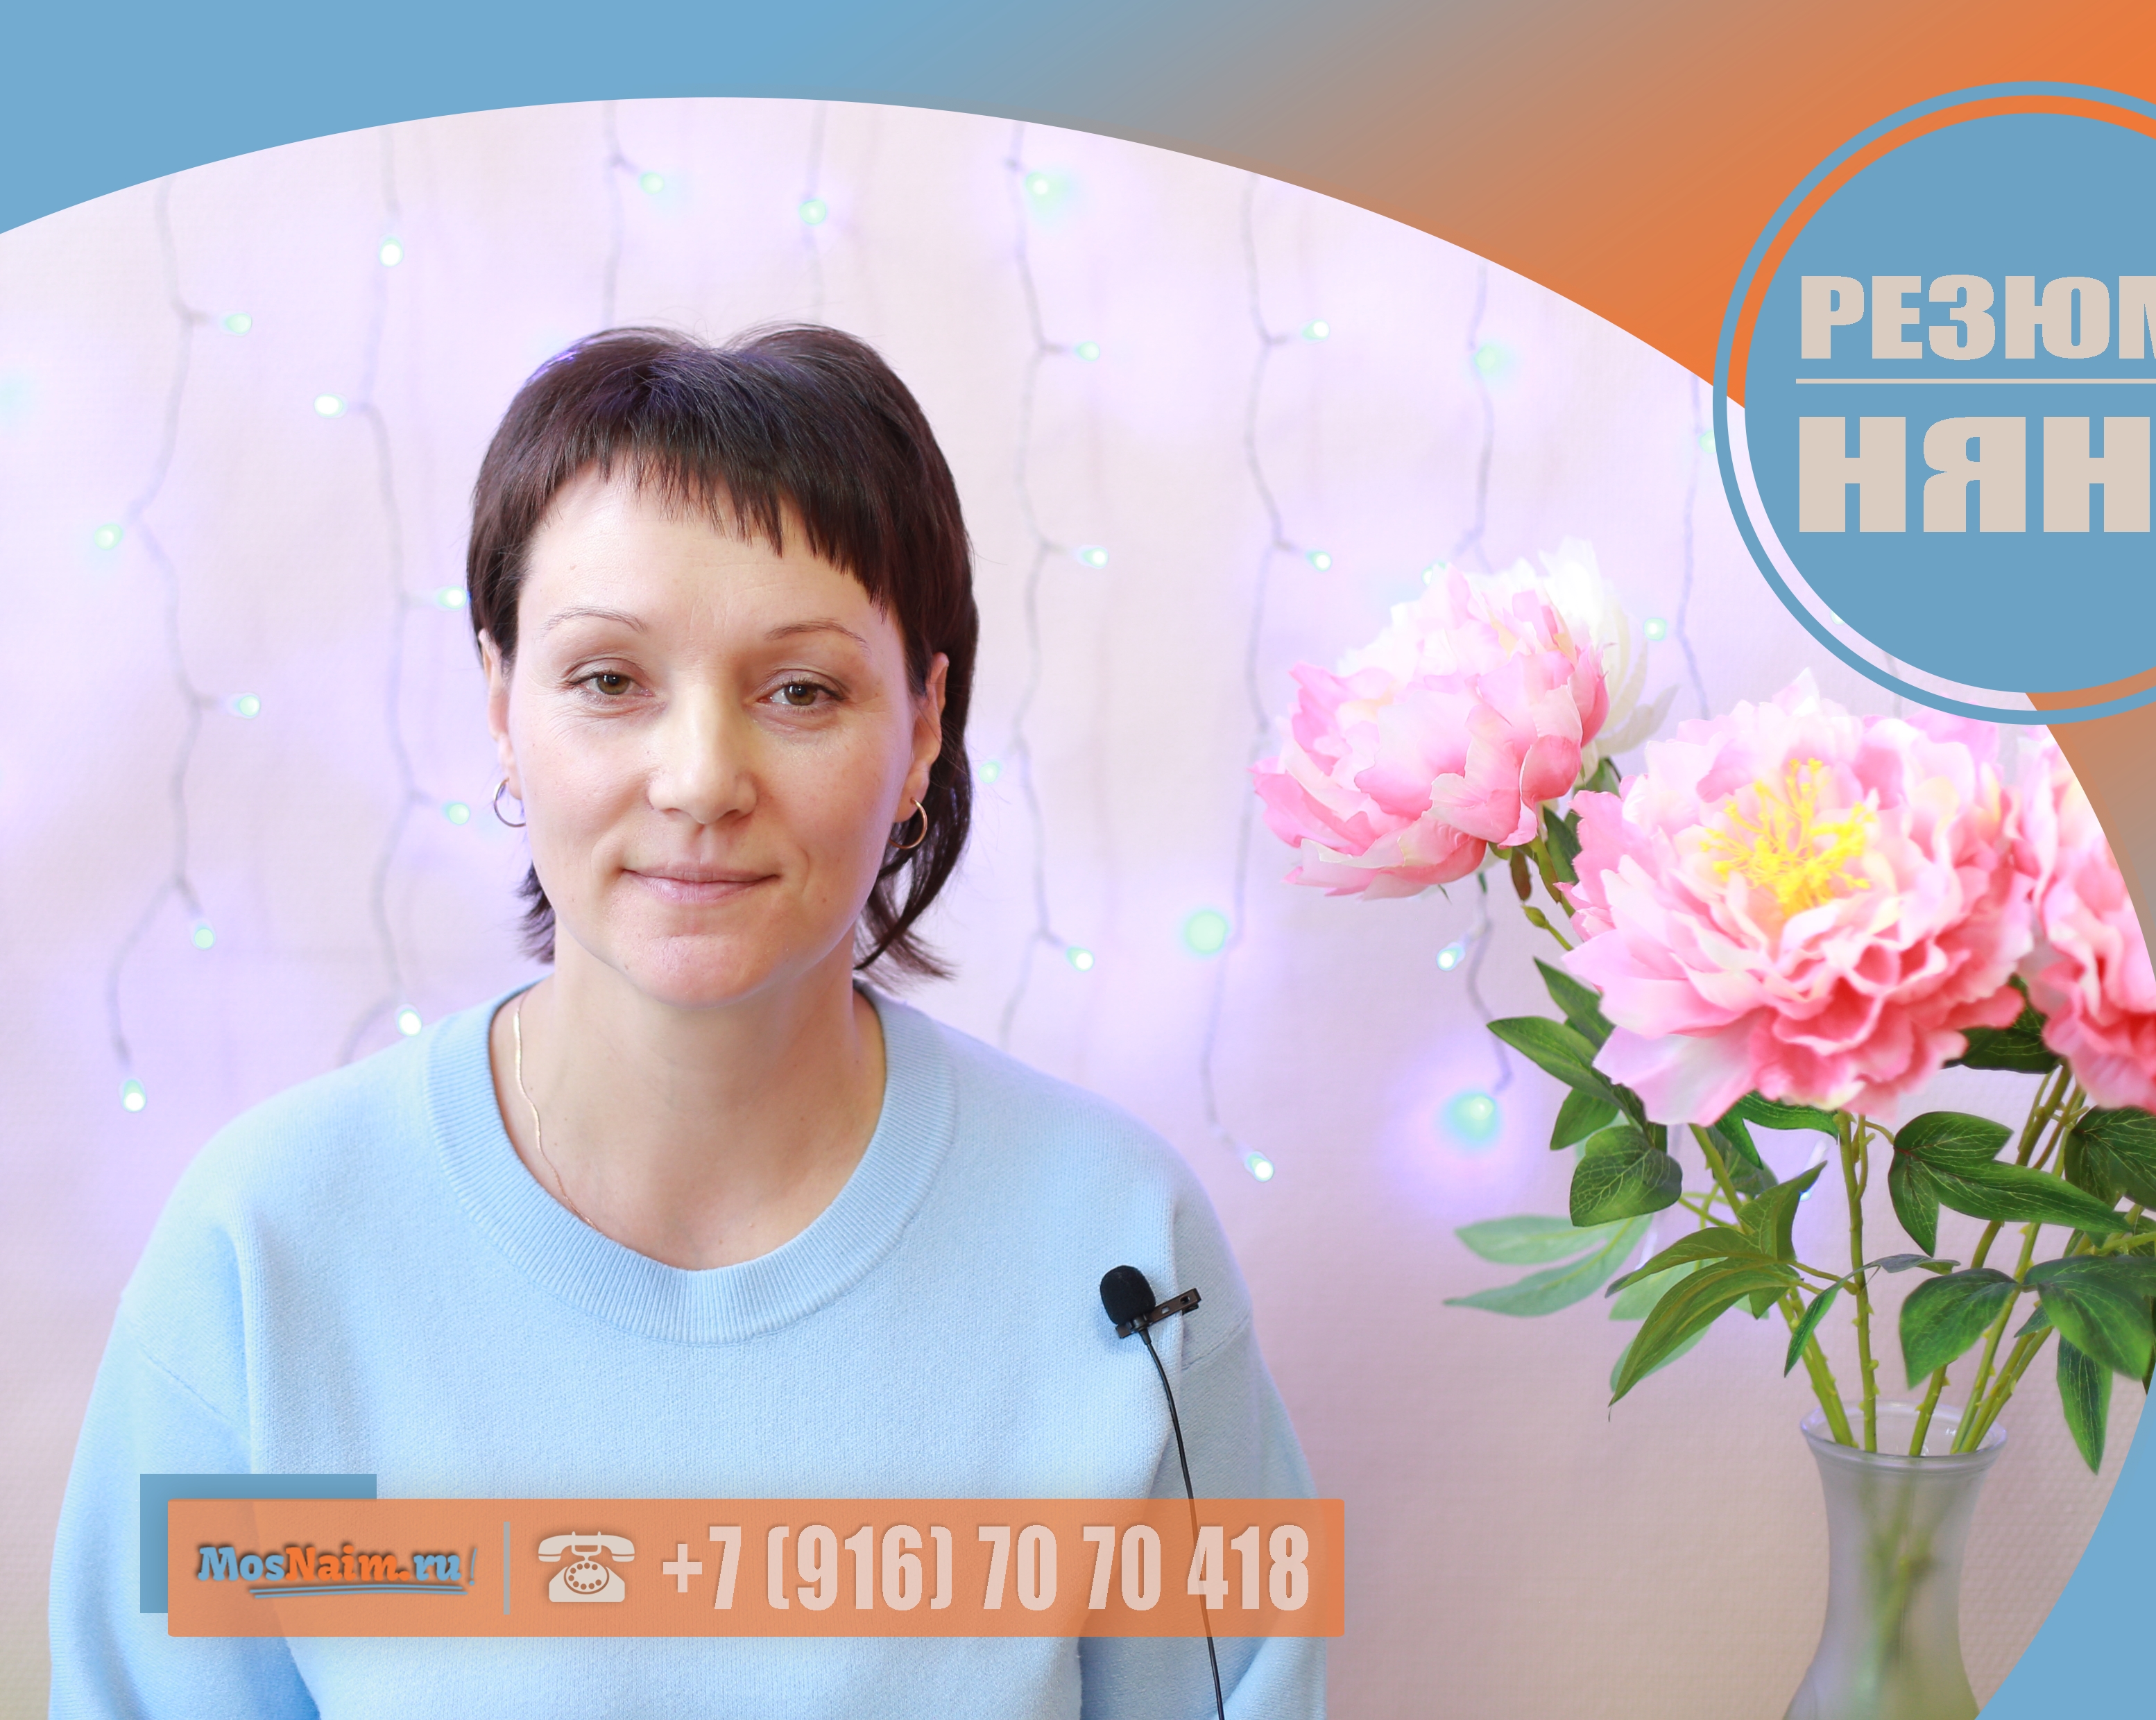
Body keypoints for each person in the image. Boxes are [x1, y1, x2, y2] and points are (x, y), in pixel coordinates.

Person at [49, 325, 1321, 1717]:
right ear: (501, 704)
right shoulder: (264, 1251)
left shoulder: (1122, 1246)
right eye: (610, 680)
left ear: (924, 725)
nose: (702, 778)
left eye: (802, 690)